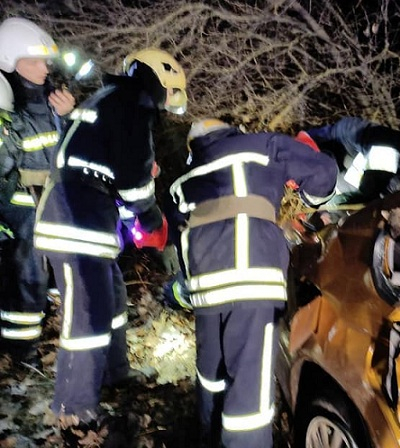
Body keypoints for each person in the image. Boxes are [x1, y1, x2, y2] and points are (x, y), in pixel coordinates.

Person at [32, 47, 187, 439]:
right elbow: (134, 181)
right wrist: (152, 221)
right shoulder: (133, 105)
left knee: (112, 297)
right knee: (88, 314)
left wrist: (135, 209)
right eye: (169, 96)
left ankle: (115, 373)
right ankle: (73, 410)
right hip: (75, 218)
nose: (166, 106)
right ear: (161, 82)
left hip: (83, 215)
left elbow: (113, 169)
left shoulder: (111, 99)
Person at [168, 118, 338, 447]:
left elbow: (177, 237)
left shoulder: (182, 182)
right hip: (252, 278)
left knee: (211, 374)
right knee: (249, 391)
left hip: (205, 288)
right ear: (229, 131)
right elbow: (323, 171)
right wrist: (311, 201)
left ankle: (209, 436)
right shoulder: (262, 146)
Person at [0, 17, 76, 365]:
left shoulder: (54, 101)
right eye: (35, 61)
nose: (45, 68)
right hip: (21, 210)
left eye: (46, 61)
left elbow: (75, 150)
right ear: (9, 60)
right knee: (27, 279)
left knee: (60, 275)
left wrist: (70, 117)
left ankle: (54, 333)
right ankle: (21, 353)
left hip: (54, 204)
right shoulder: (7, 106)